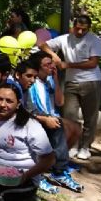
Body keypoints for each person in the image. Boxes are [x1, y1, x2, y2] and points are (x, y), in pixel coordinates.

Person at [39, 15, 101, 160]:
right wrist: (53, 56)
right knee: (69, 115)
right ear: (73, 26)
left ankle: (85, 146)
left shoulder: (94, 40)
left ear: (89, 28)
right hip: (71, 82)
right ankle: (72, 144)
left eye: (84, 29)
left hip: (92, 81)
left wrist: (68, 65)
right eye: (77, 28)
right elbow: (42, 44)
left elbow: (93, 63)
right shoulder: (65, 38)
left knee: (90, 116)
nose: (80, 32)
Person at [24, 52, 83, 193]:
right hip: (37, 117)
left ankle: (58, 163)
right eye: (47, 64)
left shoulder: (50, 80)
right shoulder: (32, 82)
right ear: (38, 68)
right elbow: (31, 109)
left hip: (51, 115)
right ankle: (59, 171)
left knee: (76, 128)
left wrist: (56, 79)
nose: (52, 66)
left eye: (52, 63)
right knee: (59, 127)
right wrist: (46, 119)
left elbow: (60, 102)